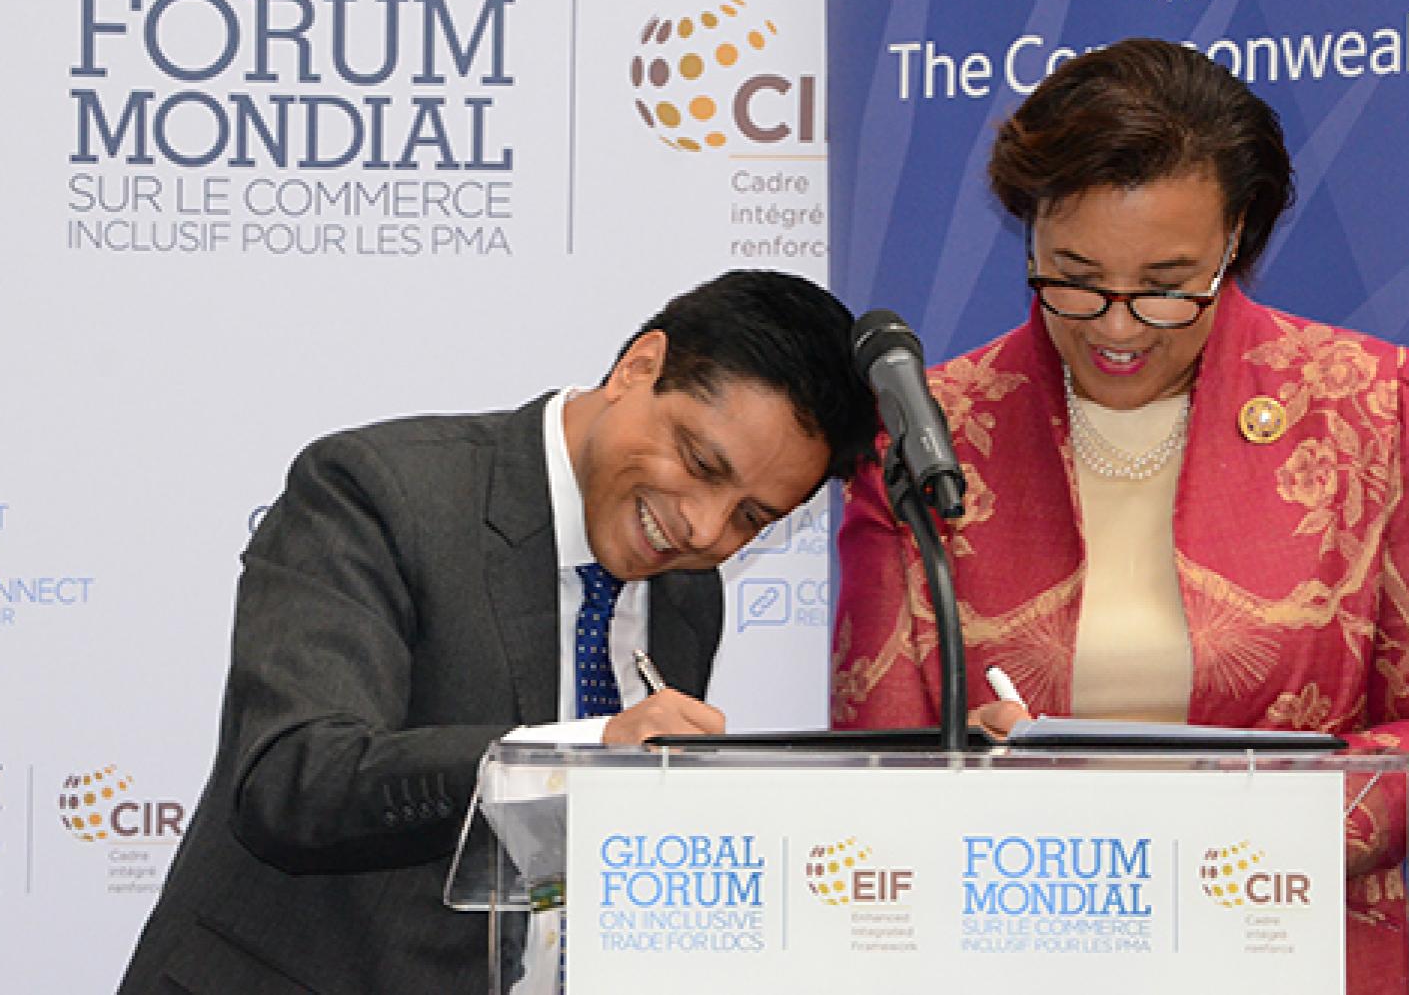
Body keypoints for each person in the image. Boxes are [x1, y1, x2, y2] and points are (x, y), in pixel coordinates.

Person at [832, 39, 1409, 993]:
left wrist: (1237, 822)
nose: (1116, 325)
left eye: (1166, 286)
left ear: (1234, 242)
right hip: (1014, 959)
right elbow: (870, 767)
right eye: (1074, 276)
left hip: (1295, 954)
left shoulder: (1361, 403)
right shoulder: (928, 434)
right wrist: (969, 778)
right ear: (1029, 234)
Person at [118, 269, 877, 994]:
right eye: (701, 463)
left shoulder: (689, 593)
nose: (704, 528)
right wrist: (579, 758)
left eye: (753, 517)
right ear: (640, 367)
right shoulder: (381, 490)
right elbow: (296, 781)